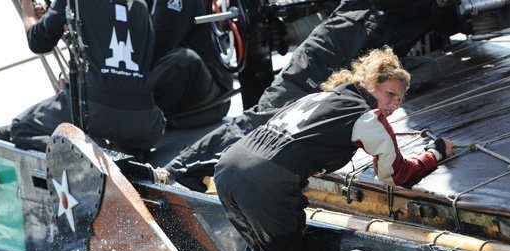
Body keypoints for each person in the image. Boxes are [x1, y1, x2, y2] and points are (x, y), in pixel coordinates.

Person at [213, 47, 454, 251]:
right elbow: (396, 174)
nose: (393, 105)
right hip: (266, 185)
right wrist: (436, 153)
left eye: (400, 99)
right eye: (390, 94)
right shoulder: (368, 117)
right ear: (369, 84)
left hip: (229, 167)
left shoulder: (320, 96)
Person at [159, 0, 460, 191]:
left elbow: (453, 24)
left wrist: (443, 5)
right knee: (262, 118)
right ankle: (177, 168)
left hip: (364, 75)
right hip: (323, 60)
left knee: (428, 69)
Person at [0, 0, 165, 153]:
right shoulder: (140, 6)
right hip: (147, 125)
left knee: (23, 129)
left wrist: (28, 11)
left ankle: (92, 151)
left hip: (95, 113)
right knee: (63, 104)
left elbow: (38, 41)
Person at [149, 0, 234, 129]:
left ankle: (133, 108)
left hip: (208, 101)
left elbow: (160, 48)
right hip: (182, 99)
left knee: (184, 60)